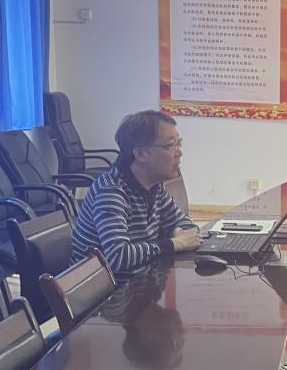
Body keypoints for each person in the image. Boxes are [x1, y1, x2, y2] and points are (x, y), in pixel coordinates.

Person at [72, 110, 202, 273]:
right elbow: (118, 257)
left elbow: (187, 225)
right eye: (170, 145)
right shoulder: (111, 191)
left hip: (142, 280)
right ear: (140, 154)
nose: (179, 152)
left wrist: (177, 231)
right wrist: (176, 243)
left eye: (179, 143)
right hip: (110, 288)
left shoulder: (154, 186)